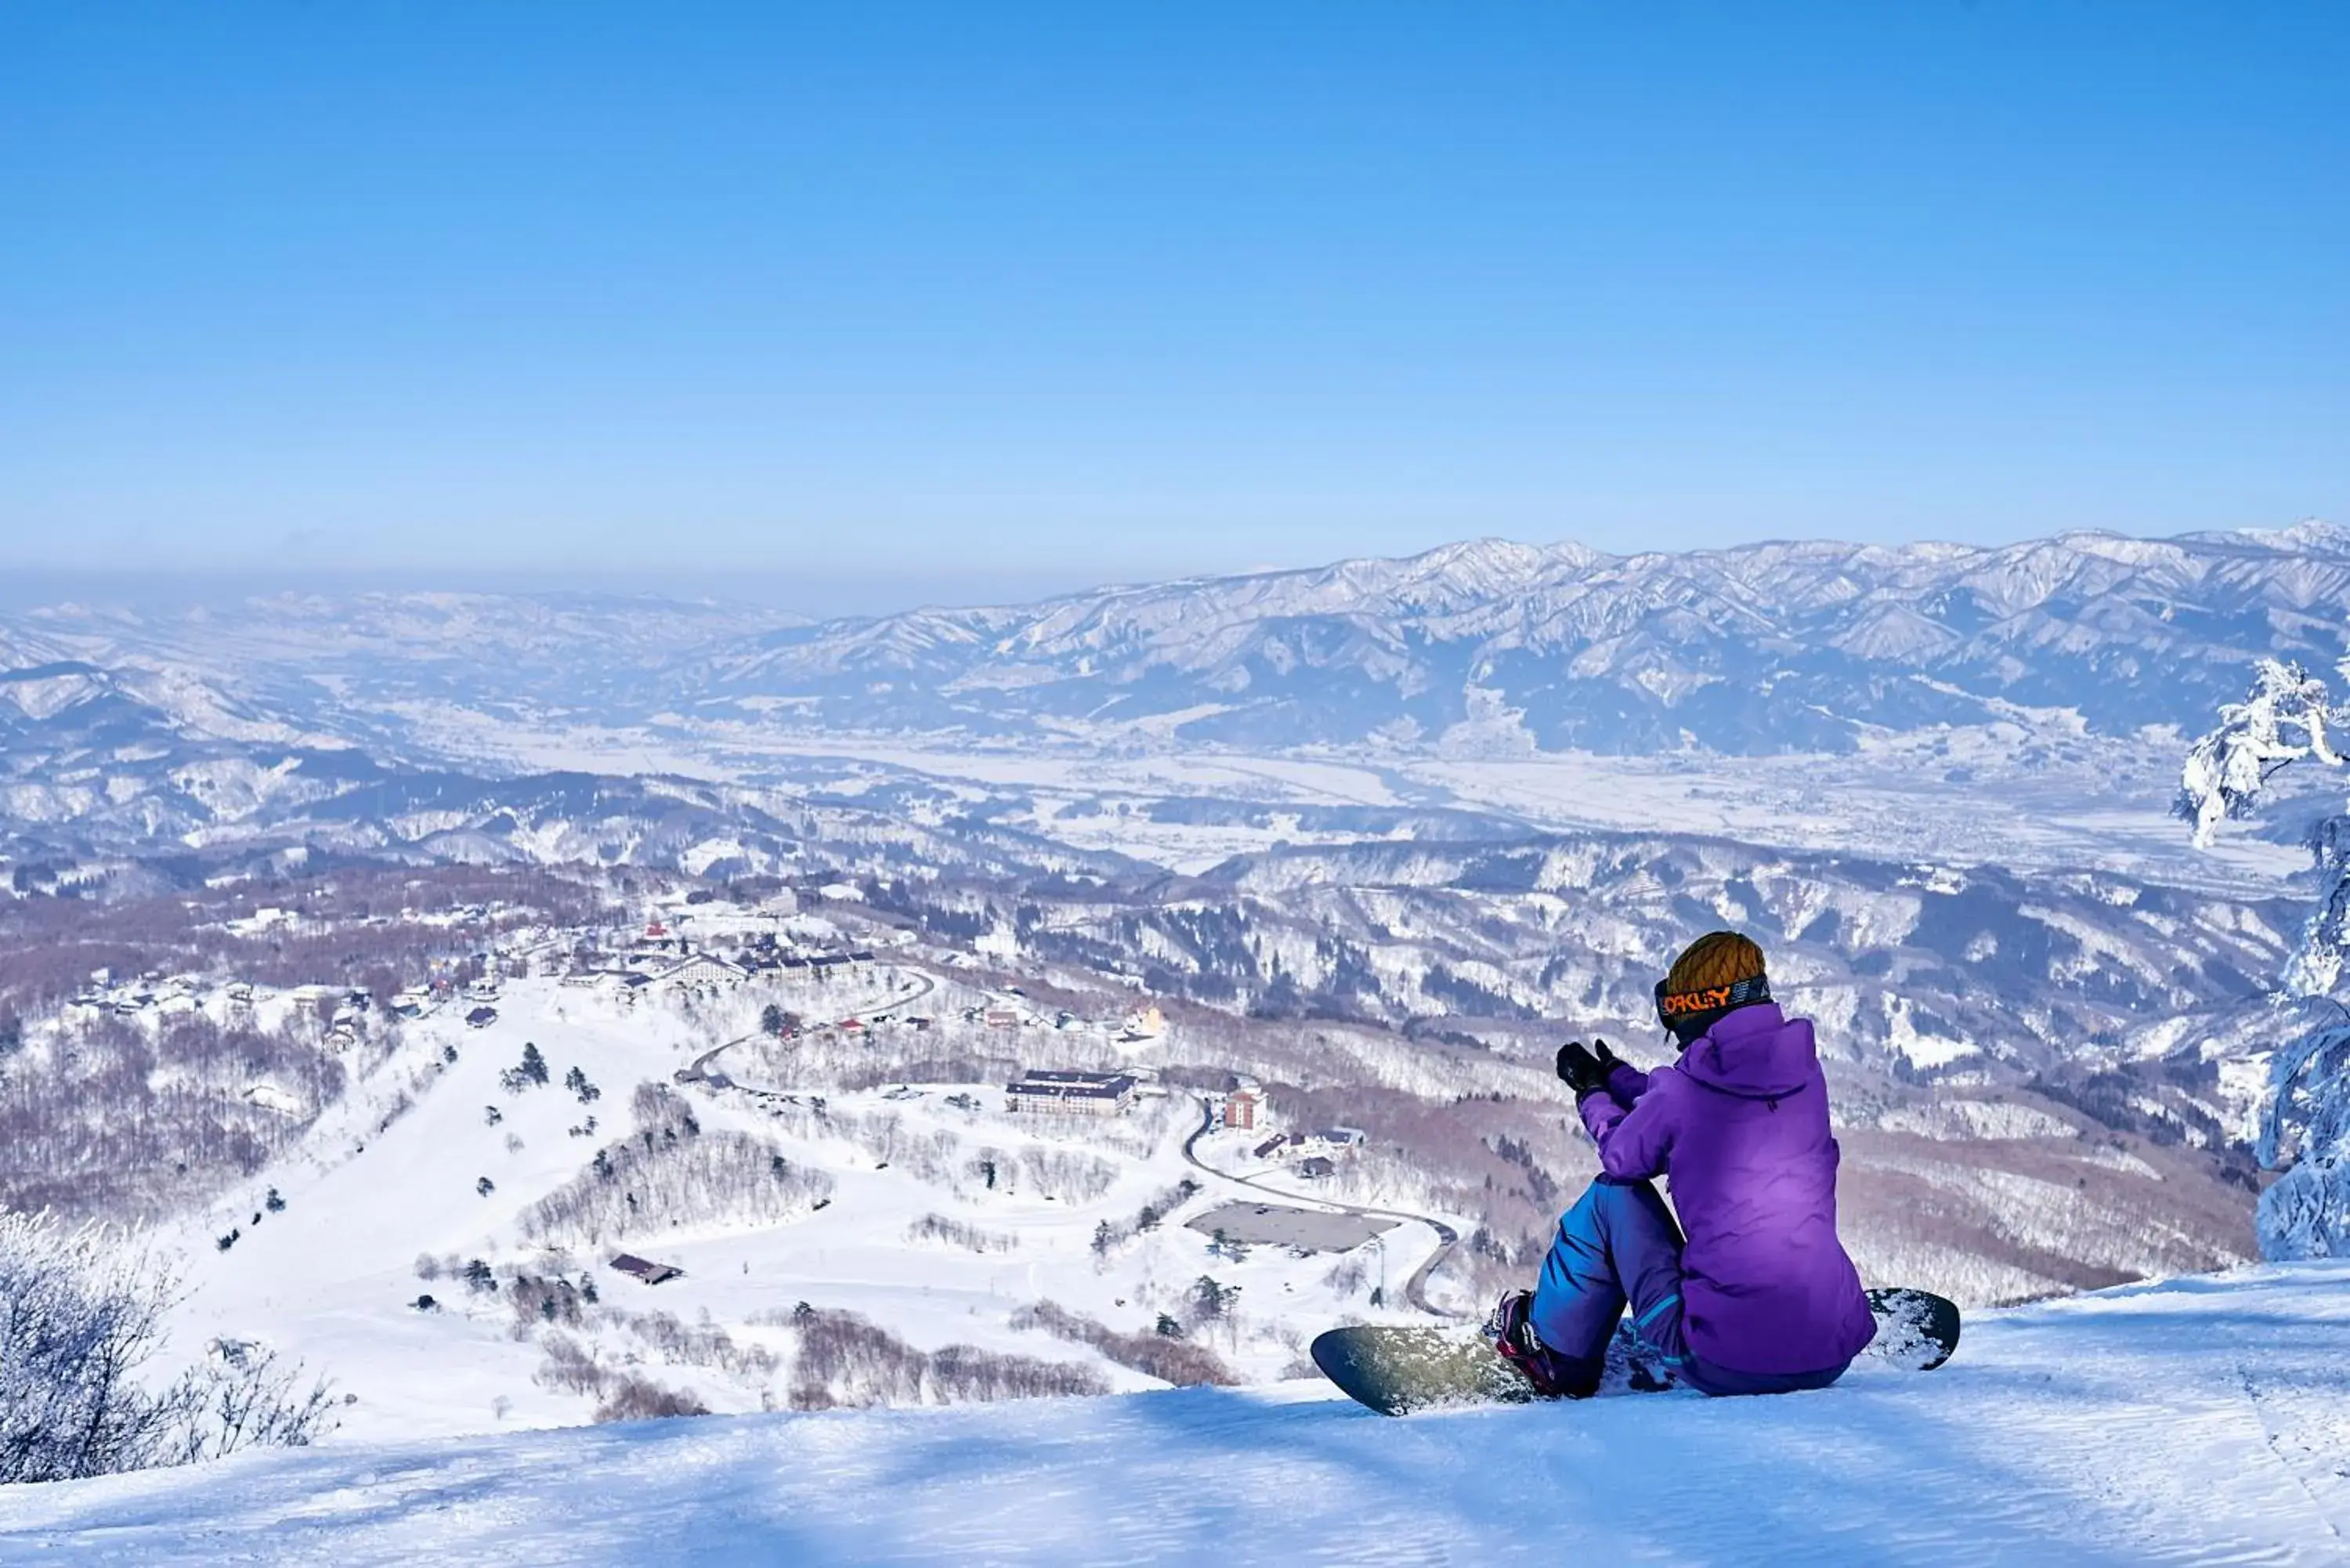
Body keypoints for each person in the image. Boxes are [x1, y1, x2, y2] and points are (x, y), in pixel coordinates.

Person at [1491, 930, 1875, 1398]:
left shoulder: (1682, 1095)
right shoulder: (1805, 1077)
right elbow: (1691, 1106)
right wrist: (1618, 1077)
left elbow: (1624, 1155)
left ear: (1697, 1007)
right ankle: (1795, 1317)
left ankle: (1554, 1354)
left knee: (1612, 1194)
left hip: (1723, 1361)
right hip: (1830, 1353)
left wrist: (1591, 1092)